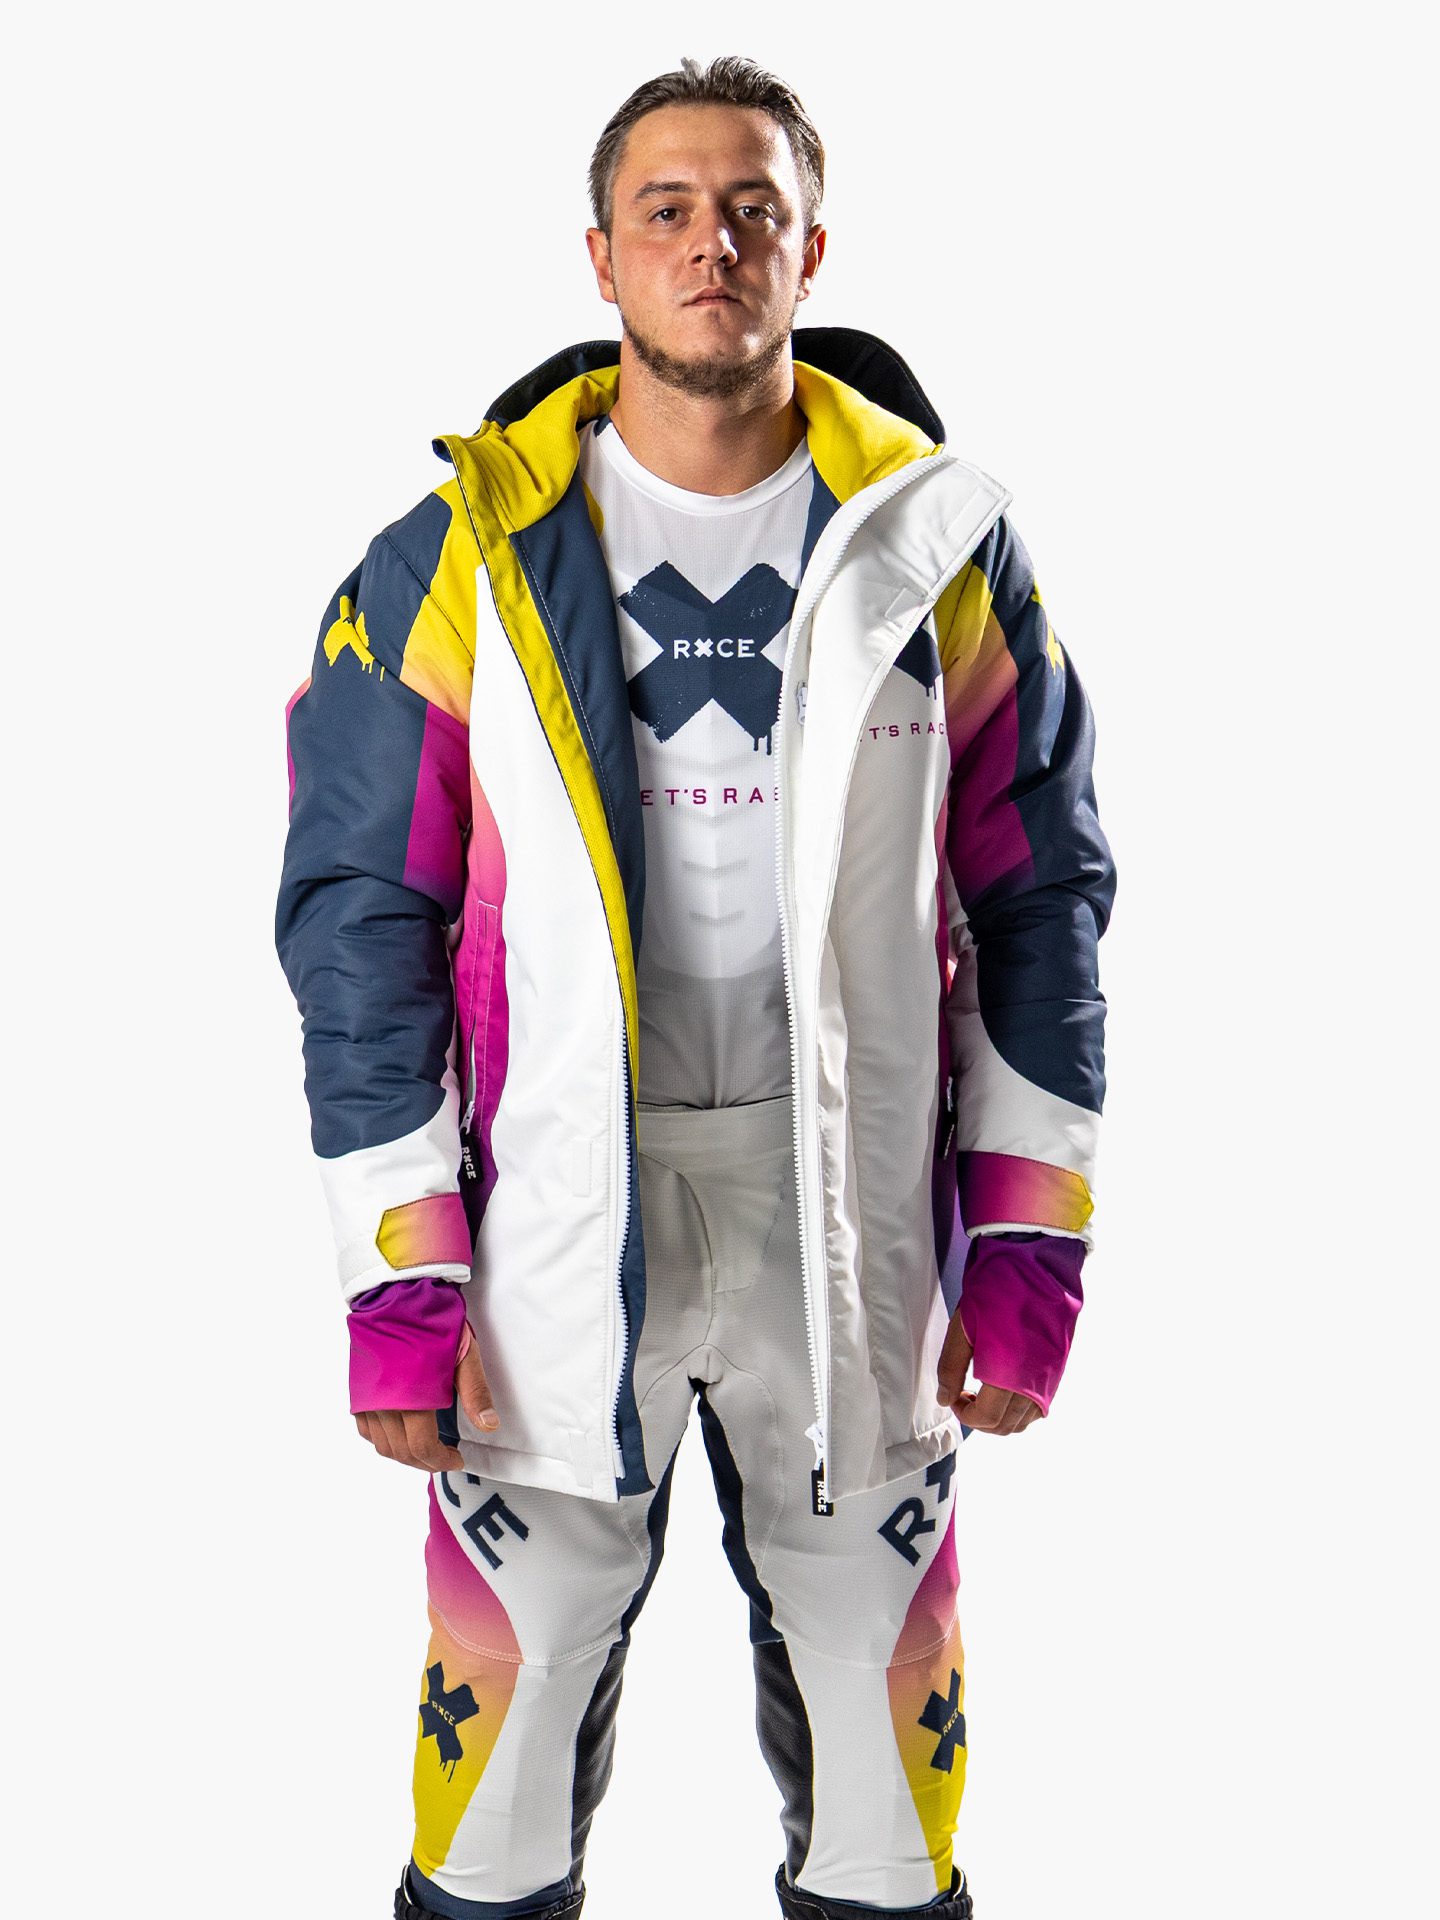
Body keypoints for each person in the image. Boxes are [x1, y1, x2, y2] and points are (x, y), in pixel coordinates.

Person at [275, 52, 1115, 1920]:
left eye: (751, 209)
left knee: (888, 1797)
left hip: (851, 1210)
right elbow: (360, 927)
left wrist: (1030, 1243)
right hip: (554, 1213)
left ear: (813, 247)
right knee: (493, 1791)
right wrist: (399, 1275)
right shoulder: (455, 562)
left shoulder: (944, 548)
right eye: (666, 211)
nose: (710, 245)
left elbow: (1042, 903)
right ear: (601, 258)